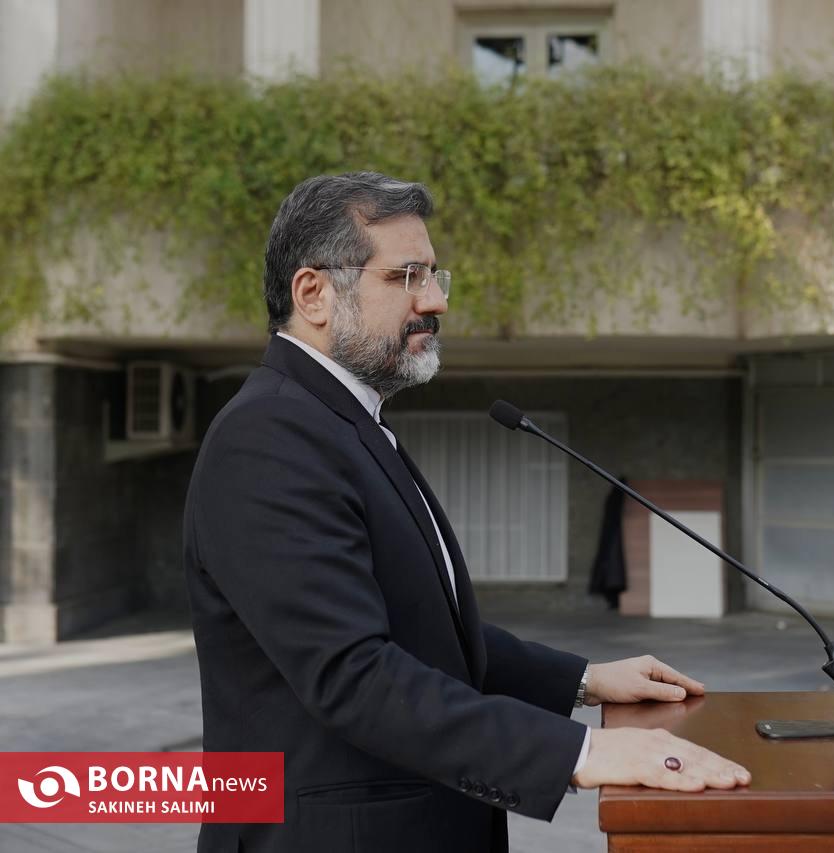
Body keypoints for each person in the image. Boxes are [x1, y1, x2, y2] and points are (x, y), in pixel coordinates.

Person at [183, 172, 749, 853]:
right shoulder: (270, 436)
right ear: (314, 294)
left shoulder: (341, 423)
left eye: (433, 275)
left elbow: (421, 628)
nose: (436, 300)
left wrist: (582, 680)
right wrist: (584, 751)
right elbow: (354, 674)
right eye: (407, 276)